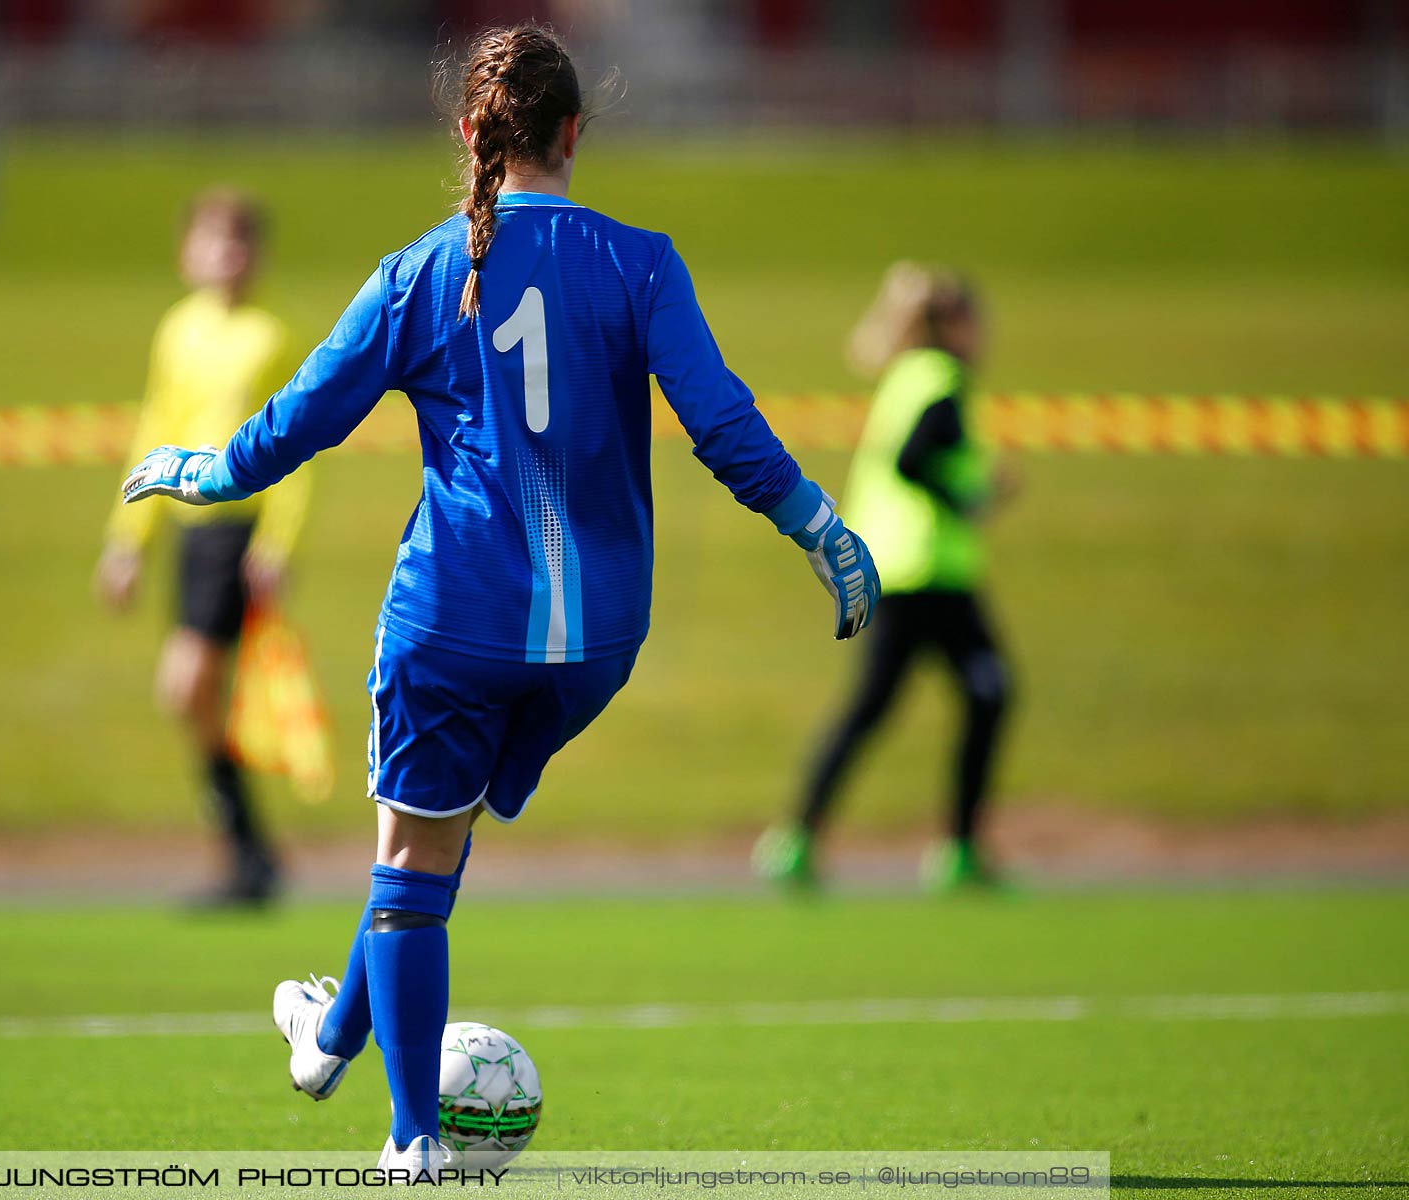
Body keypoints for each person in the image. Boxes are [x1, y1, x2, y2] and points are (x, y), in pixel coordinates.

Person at [120, 24, 879, 1171]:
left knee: (410, 870)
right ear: (578, 133)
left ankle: (413, 1139)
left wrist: (197, 471)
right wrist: (822, 530)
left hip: (456, 621)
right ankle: (328, 1037)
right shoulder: (642, 261)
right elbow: (723, 427)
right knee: (432, 839)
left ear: (470, 135)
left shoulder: (422, 270)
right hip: (597, 643)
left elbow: (291, 428)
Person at [753, 263, 1015, 894]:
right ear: (954, 324)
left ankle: (799, 838)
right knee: (987, 695)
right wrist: (973, 495)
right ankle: (957, 850)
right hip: (927, 575)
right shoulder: (940, 380)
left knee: (877, 708)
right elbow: (913, 461)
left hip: (901, 573)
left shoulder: (906, 377)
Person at [95, 190, 309, 907]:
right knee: (191, 696)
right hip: (188, 531)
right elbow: (158, 425)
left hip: (236, 529)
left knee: (188, 687)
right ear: (188, 251)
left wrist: (278, 541)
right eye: (215, 241)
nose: (228, 256)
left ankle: (247, 853)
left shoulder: (271, 335)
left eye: (241, 243)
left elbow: (298, 446)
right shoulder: (177, 330)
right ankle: (250, 854)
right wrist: (128, 542)